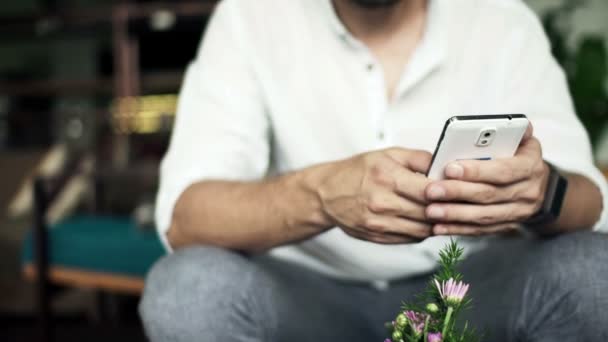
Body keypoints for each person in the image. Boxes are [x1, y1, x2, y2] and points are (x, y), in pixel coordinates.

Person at [139, 0, 608, 341]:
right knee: (188, 289)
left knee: (594, 271)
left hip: (467, 288)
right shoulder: (250, 17)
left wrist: (543, 191)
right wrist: (321, 195)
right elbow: (186, 219)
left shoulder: (500, 20)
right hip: (308, 299)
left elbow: (591, 203)